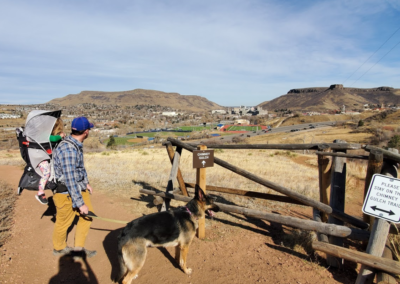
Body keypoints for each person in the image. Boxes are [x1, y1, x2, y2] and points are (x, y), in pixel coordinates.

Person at [52, 116, 97, 258]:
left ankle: (78, 249)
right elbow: (69, 178)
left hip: (78, 188)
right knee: (64, 222)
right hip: (65, 192)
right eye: (89, 128)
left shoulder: (75, 144)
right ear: (86, 132)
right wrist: (79, 203)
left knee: (87, 216)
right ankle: (59, 248)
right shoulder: (68, 149)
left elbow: (79, 168)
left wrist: (86, 183)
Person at [36, 118, 65, 205]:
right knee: (46, 173)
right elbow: (52, 139)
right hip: (41, 158)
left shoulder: (43, 132)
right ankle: (40, 192)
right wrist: (61, 136)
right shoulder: (43, 133)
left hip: (45, 157)